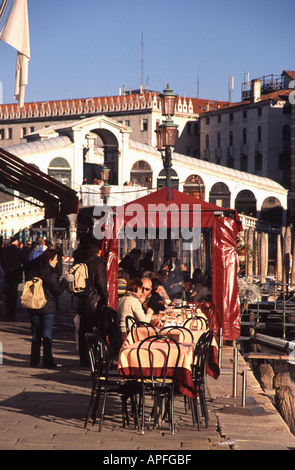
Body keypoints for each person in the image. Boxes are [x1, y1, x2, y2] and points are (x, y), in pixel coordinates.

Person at [28, 249, 68, 368]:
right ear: (50, 260)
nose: (57, 261)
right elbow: (58, 291)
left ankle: (34, 360)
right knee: (47, 334)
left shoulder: (34, 270)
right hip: (47, 307)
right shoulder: (51, 274)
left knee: (35, 334)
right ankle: (47, 361)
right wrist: (65, 282)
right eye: (56, 259)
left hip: (34, 306)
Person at [77, 239, 109, 366]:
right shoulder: (99, 264)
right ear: (100, 251)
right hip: (94, 304)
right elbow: (101, 284)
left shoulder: (83, 262)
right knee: (95, 332)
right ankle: (94, 359)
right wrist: (105, 298)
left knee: (83, 332)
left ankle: (84, 359)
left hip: (83, 301)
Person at [0, 237, 26, 320]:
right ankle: (12, 311)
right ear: (16, 242)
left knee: (6, 292)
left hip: (5, 274)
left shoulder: (4, 251)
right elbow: (25, 262)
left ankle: (8, 310)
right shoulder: (20, 251)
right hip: (15, 275)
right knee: (14, 293)